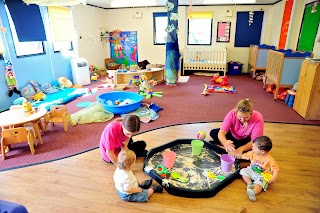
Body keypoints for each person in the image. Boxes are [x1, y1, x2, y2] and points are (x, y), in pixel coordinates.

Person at [238, 136, 279, 201]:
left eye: (254, 148)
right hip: (251, 171)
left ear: (262, 151)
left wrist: (274, 177)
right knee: (243, 171)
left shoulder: (269, 159)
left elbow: (275, 169)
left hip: (261, 175)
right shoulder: (252, 153)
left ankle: (253, 192)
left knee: (260, 183)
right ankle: (249, 184)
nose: (252, 149)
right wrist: (239, 156)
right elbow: (243, 156)